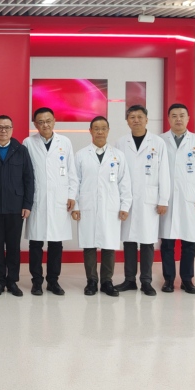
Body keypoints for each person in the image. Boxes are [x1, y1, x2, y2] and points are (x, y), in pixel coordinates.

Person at [72, 117, 132, 297]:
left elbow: (124, 182)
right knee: (89, 244)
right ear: (90, 131)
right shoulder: (81, 155)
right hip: (87, 206)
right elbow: (74, 182)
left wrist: (125, 205)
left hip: (110, 206)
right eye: (96, 128)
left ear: (108, 131)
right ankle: (91, 281)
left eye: (103, 128)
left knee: (109, 244)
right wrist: (75, 205)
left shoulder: (118, 156)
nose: (100, 132)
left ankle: (107, 281)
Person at [114, 105, 170, 296]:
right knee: (129, 239)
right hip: (127, 199)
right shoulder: (121, 143)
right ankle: (129, 279)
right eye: (132, 117)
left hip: (150, 199)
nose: (136, 120)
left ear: (147, 119)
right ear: (127, 121)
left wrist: (163, 199)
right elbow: (117, 173)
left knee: (147, 240)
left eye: (140, 117)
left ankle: (146, 281)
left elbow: (164, 172)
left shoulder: (158, 143)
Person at [23, 107, 78, 296]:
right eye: (41, 122)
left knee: (56, 243)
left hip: (59, 200)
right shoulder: (28, 143)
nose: (45, 125)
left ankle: (53, 281)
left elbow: (71, 171)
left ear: (54, 121)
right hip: (37, 199)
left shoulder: (65, 142)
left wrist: (72, 195)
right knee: (36, 243)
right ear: (35, 124)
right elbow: (25, 174)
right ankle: (37, 282)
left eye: (48, 121)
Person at [159, 103, 195, 293]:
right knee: (167, 242)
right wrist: (159, 198)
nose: (178, 119)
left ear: (188, 118)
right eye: (174, 116)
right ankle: (168, 279)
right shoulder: (160, 141)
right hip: (167, 198)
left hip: (191, 199)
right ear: (168, 119)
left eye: (182, 115)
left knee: (189, 243)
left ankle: (187, 279)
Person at [0, 115, 34, 296]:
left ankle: (12, 282)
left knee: (13, 246)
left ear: (12, 129)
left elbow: (29, 179)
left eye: (7, 127)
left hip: (16, 207)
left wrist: (27, 204)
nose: (3, 130)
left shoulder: (21, 150)